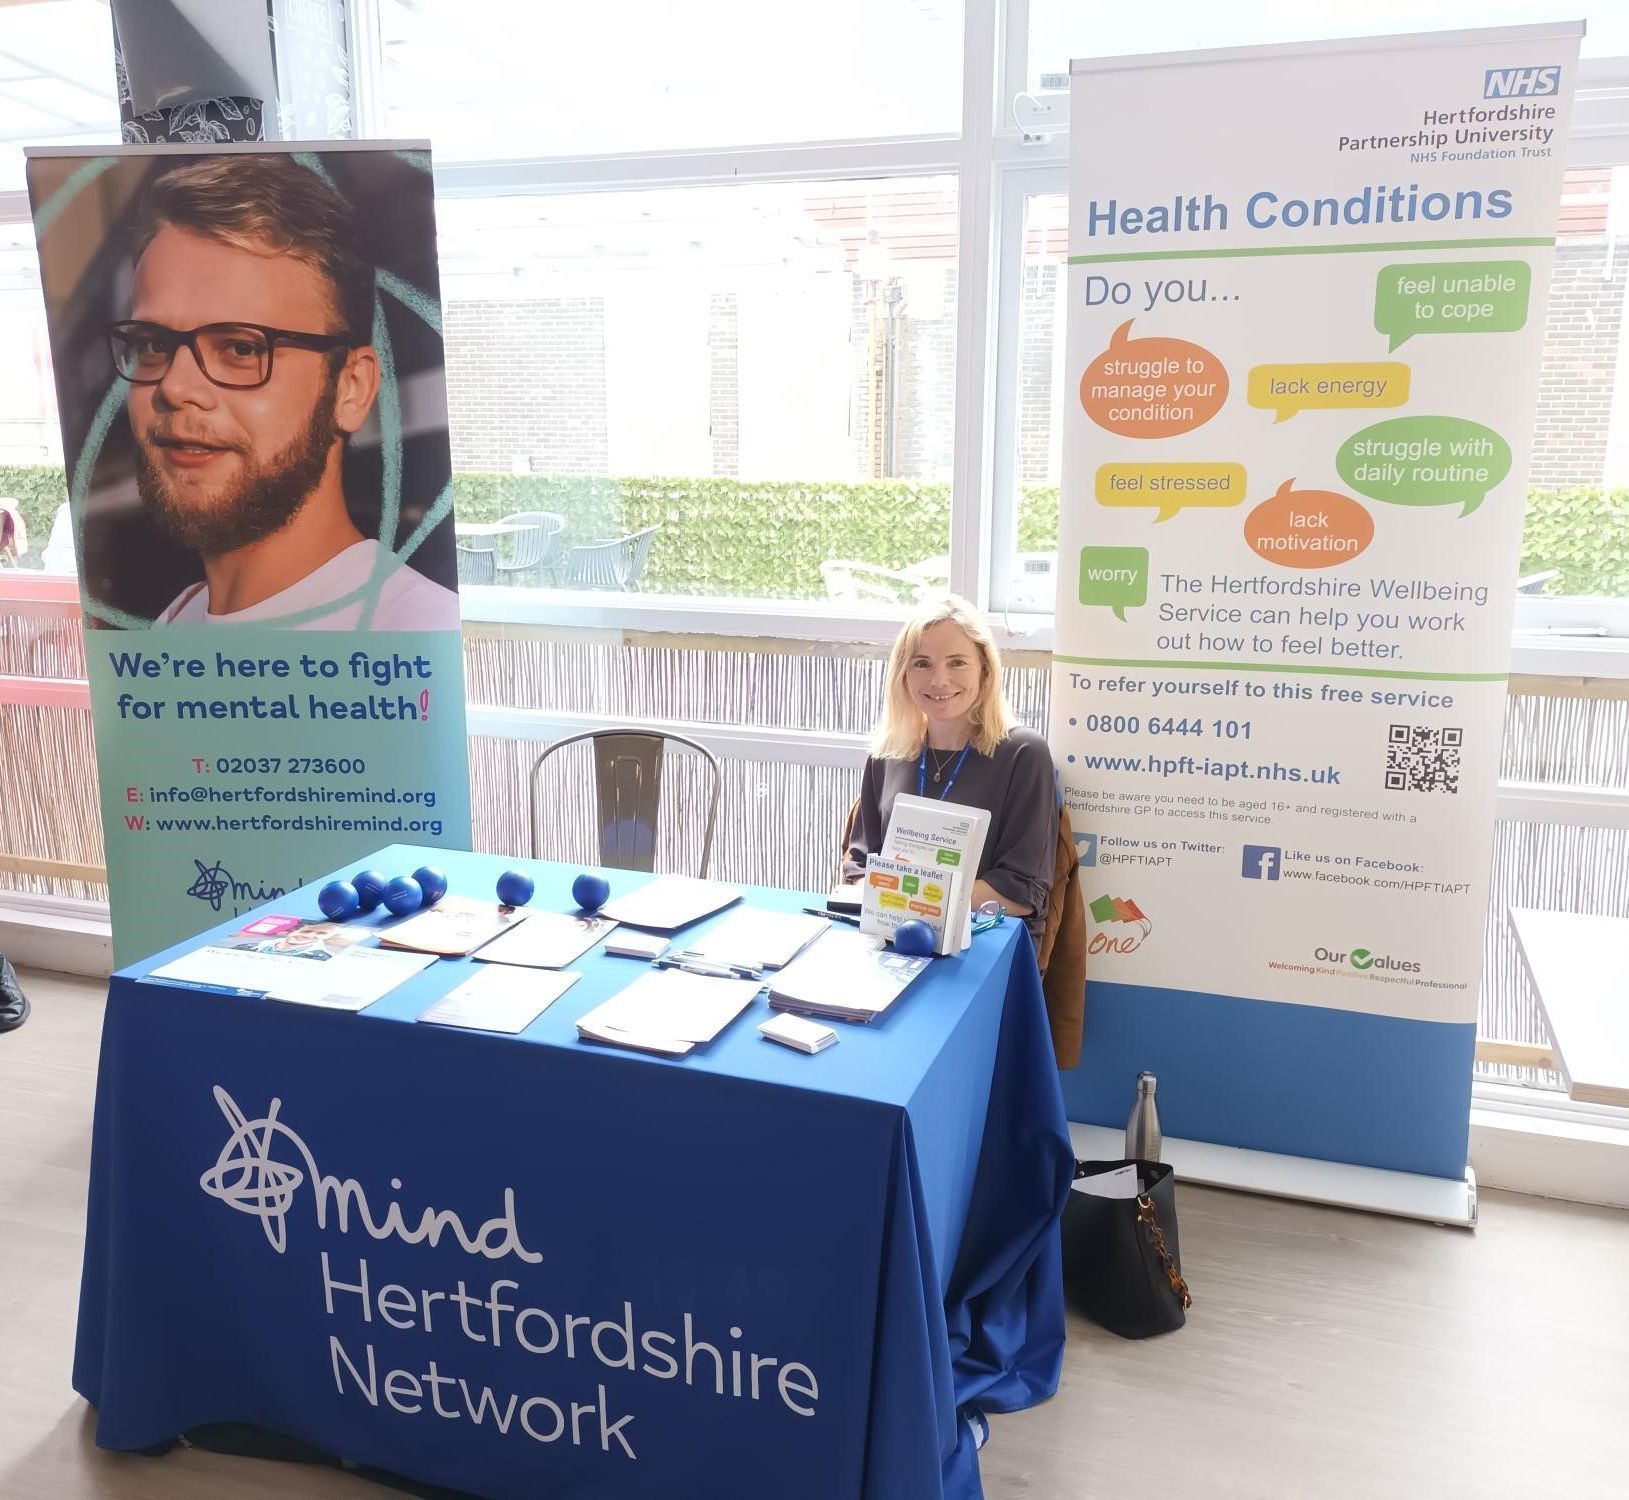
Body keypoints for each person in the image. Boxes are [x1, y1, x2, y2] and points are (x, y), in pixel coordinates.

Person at [111, 155, 459, 630]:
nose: (174, 387)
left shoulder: (418, 632)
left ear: (350, 389)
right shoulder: (175, 621)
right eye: (154, 344)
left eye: (240, 347)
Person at [843, 594, 1057, 940]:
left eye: (957, 662)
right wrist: (903, 905)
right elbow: (859, 865)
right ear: (903, 673)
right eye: (922, 663)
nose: (939, 681)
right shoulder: (886, 754)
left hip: (984, 942)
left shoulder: (1024, 753)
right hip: (887, 938)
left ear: (985, 669)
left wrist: (911, 901)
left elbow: (1022, 891)